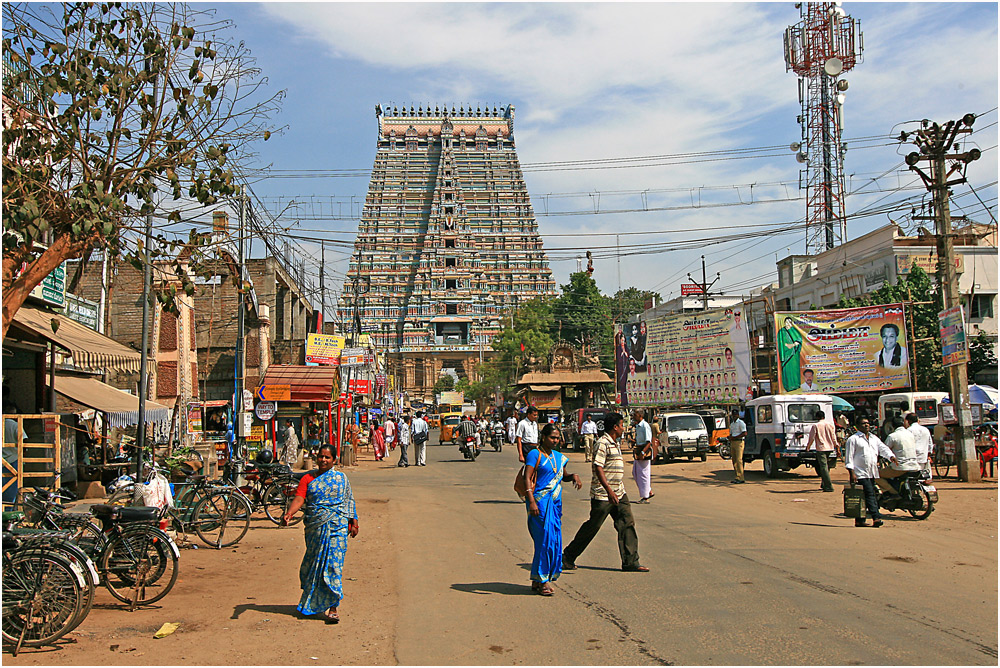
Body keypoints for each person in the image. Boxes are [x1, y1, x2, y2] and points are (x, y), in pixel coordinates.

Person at [562, 412, 649, 573]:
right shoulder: (602, 443)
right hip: (603, 494)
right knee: (593, 526)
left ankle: (630, 561)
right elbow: (598, 467)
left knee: (627, 523)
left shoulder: (615, 443)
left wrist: (616, 490)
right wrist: (608, 490)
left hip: (619, 492)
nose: (624, 428)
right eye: (622, 425)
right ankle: (567, 557)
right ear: (615, 427)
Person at [283, 444, 359, 624]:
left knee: (334, 565)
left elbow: (348, 500)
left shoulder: (341, 478)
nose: (323, 460)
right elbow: (300, 498)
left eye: (327, 457)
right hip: (316, 527)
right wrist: (290, 512)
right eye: (320, 457)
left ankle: (333, 607)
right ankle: (312, 602)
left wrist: (353, 520)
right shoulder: (308, 479)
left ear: (334, 460)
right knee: (314, 566)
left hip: (337, 527)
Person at [524, 424, 582, 596]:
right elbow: (527, 478)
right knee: (545, 541)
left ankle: (537, 579)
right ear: (543, 437)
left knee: (553, 540)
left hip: (555, 503)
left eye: (557, 438)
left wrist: (573, 476)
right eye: (552, 437)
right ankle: (543, 581)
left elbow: (562, 475)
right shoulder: (535, 454)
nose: (555, 441)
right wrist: (532, 501)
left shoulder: (558, 456)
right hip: (539, 503)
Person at [844, 417, 897, 528]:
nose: (866, 425)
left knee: (864, 496)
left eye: (867, 423)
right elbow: (849, 458)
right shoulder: (853, 439)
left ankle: (860, 520)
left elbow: (883, 448)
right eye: (863, 424)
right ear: (858, 426)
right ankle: (876, 517)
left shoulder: (874, 438)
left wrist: (891, 456)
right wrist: (852, 473)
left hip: (872, 472)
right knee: (870, 495)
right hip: (860, 472)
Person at [877, 415, 921, 496]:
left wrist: (877, 459)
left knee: (876, 475)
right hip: (915, 465)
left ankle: (893, 492)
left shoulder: (892, 436)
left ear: (893, 426)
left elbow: (884, 450)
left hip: (900, 467)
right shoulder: (910, 434)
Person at [804, 410, 839, 492]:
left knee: (823, 467)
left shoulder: (816, 425)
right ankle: (824, 484)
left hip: (821, 448)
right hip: (830, 448)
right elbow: (834, 437)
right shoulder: (830, 425)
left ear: (817, 417)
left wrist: (808, 447)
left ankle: (829, 486)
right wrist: (836, 446)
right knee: (826, 467)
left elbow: (812, 438)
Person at [630, 409, 654, 503]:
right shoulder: (638, 426)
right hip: (639, 450)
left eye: (635, 414)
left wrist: (643, 453)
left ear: (640, 415)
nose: (634, 416)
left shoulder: (645, 426)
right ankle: (648, 491)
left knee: (643, 475)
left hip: (644, 451)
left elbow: (648, 441)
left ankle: (645, 497)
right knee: (636, 473)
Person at [777, 316, 803, 392]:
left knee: (794, 370)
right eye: (786, 322)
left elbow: (799, 340)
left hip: (793, 355)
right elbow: (780, 343)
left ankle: (795, 385)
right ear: (784, 323)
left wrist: (792, 345)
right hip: (785, 356)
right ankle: (788, 386)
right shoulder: (781, 331)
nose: (788, 324)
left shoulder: (794, 330)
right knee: (787, 371)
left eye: (789, 322)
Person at [905, 413, 933, 479]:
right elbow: (930, 444)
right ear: (917, 420)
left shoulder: (908, 431)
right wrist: (929, 454)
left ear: (908, 421)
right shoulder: (925, 430)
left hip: (912, 459)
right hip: (923, 457)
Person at [728, 409, 746, 484]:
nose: (734, 416)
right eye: (733, 415)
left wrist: (734, 437)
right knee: (734, 460)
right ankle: (737, 476)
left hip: (739, 442)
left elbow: (744, 433)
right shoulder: (732, 424)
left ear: (738, 415)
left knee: (739, 460)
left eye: (735, 415)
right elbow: (731, 433)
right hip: (733, 442)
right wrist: (730, 437)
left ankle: (741, 477)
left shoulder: (741, 423)